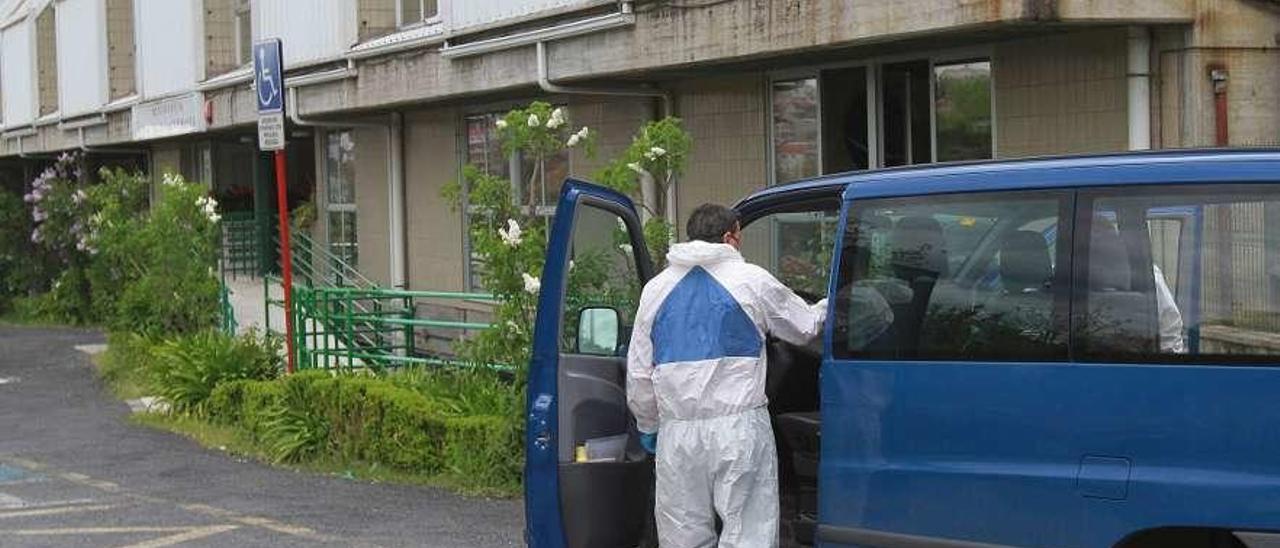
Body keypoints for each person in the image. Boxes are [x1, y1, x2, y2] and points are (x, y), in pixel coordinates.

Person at [626, 204, 827, 548]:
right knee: (748, 534)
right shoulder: (751, 279)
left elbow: (640, 373)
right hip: (739, 430)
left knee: (683, 536)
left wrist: (649, 427)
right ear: (731, 236)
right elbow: (805, 327)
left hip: (678, 434)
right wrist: (831, 303)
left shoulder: (655, 290)